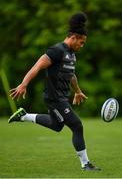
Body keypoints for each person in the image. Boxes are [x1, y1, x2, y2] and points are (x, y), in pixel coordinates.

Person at [8, 12, 101, 171]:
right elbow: (37, 66)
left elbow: (71, 74)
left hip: (62, 98)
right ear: (73, 37)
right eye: (81, 42)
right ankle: (86, 164)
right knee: (77, 125)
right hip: (54, 99)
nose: (82, 45)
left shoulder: (72, 55)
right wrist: (23, 84)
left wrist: (77, 91)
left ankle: (24, 116)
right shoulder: (57, 50)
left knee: (56, 125)